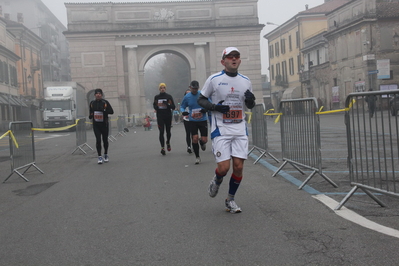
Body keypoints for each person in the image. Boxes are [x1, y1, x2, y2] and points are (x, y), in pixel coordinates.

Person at [198, 47, 256, 213]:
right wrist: (214, 107)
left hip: (239, 128)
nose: (233, 59)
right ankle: (217, 180)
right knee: (224, 168)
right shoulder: (214, 79)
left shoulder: (246, 81)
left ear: (239, 60)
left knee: (238, 167)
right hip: (221, 128)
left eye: (236, 56)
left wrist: (251, 101)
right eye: (229, 57)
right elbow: (201, 100)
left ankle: (230, 199)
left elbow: (250, 105)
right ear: (223, 61)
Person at [181, 80, 208, 164]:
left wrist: (206, 109)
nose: (195, 90)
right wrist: (183, 112)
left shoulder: (202, 94)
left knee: (204, 139)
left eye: (196, 89)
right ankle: (197, 157)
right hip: (192, 121)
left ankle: (202, 142)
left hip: (202, 120)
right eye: (193, 89)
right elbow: (182, 106)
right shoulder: (187, 97)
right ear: (190, 87)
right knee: (194, 138)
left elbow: (209, 103)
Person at [89, 88, 114, 164]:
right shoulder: (92, 103)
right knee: (98, 140)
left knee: (105, 140)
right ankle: (99, 156)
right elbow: (90, 114)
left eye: (99, 94)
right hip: (96, 125)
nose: (98, 95)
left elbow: (112, 112)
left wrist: (104, 111)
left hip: (104, 124)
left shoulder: (105, 102)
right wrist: (91, 115)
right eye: (97, 94)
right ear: (95, 95)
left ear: (101, 95)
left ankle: (105, 154)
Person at [153, 83, 176, 155]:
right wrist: (156, 107)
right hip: (160, 116)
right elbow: (154, 105)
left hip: (168, 116)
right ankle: (162, 147)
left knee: (168, 131)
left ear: (165, 89)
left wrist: (167, 104)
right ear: (159, 89)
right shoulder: (157, 97)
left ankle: (168, 142)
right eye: (161, 88)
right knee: (161, 132)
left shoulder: (169, 96)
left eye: (163, 88)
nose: (162, 89)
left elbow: (173, 107)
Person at [182, 89, 192, 154]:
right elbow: (181, 107)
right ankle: (189, 146)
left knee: (194, 133)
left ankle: (196, 144)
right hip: (186, 119)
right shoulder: (184, 101)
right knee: (188, 133)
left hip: (194, 119)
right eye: (186, 93)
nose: (188, 95)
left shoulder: (194, 100)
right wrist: (183, 112)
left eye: (189, 93)